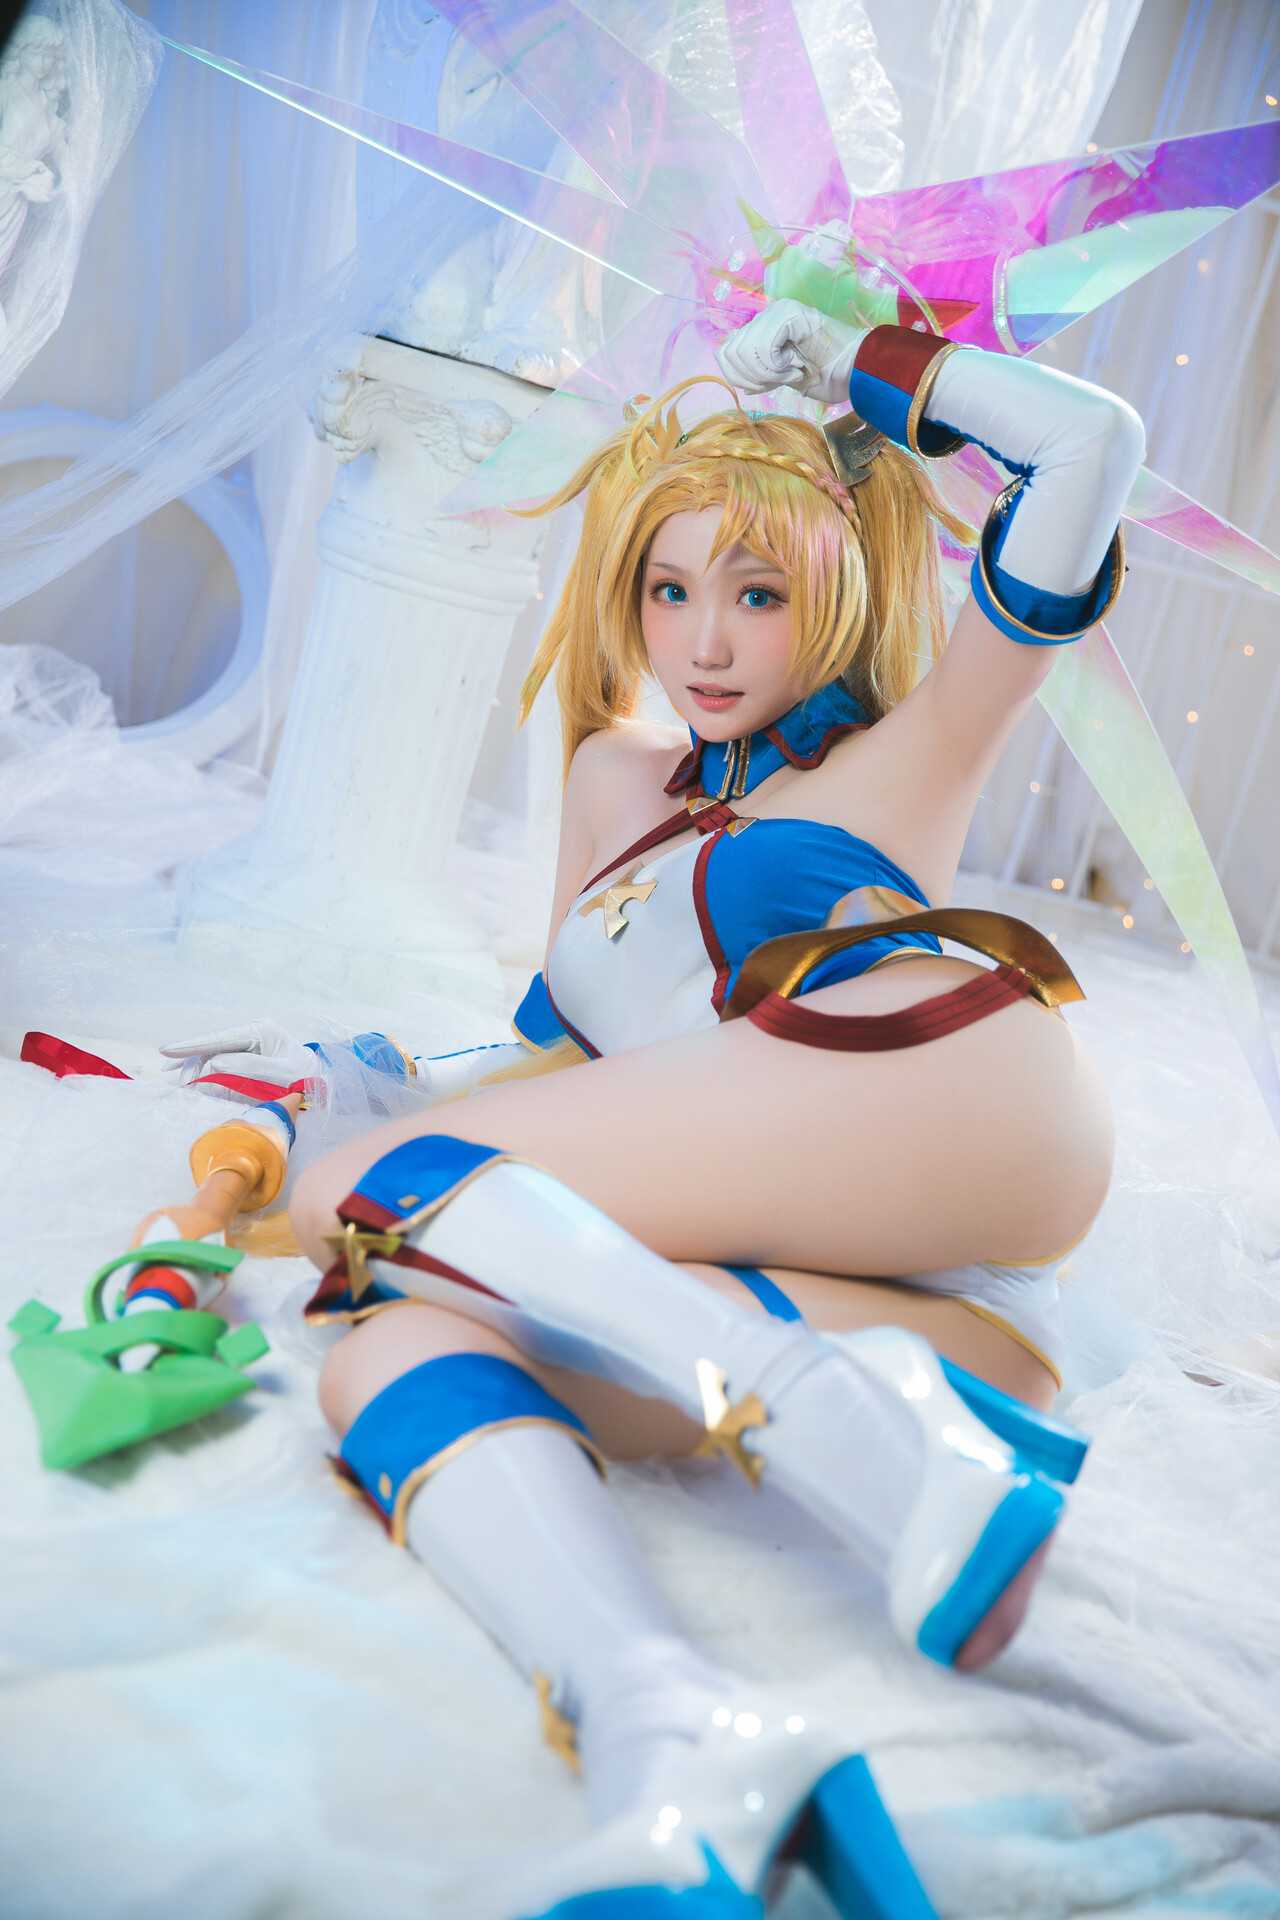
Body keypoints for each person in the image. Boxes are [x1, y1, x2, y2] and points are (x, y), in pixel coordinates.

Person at [164, 300, 1142, 1917]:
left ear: (832, 598)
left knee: (374, 1194)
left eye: (758, 594)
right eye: (670, 588)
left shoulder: (893, 765)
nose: (706, 641)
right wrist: (338, 1082)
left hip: (960, 1086)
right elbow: (569, 1081)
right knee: (384, 1335)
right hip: (945, 1322)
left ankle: (857, 1439)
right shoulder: (614, 781)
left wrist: (864, 363)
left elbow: (1094, 448)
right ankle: (671, 1729)